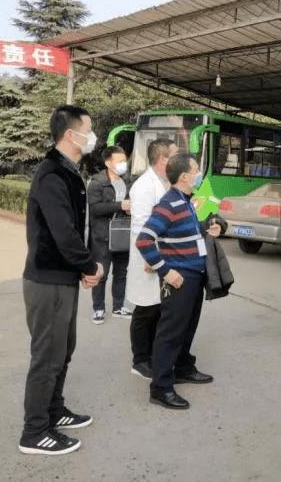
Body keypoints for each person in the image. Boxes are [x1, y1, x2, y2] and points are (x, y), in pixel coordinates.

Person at [19, 105, 104, 455]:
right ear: (71, 135)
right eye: (88, 128)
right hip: (48, 281)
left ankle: (54, 410)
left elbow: (76, 229)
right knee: (47, 356)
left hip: (62, 278)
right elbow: (64, 234)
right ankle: (35, 431)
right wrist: (90, 266)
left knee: (63, 350)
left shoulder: (68, 170)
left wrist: (81, 268)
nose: (92, 136)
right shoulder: (52, 173)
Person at [136, 153, 221, 409]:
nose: (199, 174)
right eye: (196, 170)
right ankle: (160, 388)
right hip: (179, 279)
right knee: (170, 334)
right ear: (184, 176)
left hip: (194, 276)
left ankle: (183, 367)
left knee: (187, 328)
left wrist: (209, 228)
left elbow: (185, 233)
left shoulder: (186, 201)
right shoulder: (169, 204)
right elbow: (144, 240)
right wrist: (165, 270)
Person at [126, 139, 179, 380]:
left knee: (157, 308)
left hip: (162, 256)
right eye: (174, 156)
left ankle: (152, 355)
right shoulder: (144, 186)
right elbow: (140, 226)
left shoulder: (164, 182)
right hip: (148, 259)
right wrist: (150, 256)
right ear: (162, 159)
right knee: (145, 310)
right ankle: (139, 361)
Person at [87, 145, 132, 324]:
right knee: (101, 273)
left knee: (121, 273)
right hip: (103, 236)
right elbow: (94, 208)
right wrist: (119, 205)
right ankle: (98, 308)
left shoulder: (127, 180)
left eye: (124, 161)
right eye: (119, 161)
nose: (123, 164)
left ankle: (118, 306)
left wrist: (129, 208)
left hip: (122, 234)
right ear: (108, 162)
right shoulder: (97, 182)